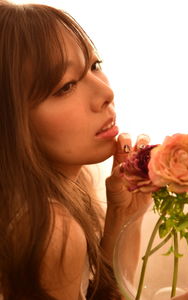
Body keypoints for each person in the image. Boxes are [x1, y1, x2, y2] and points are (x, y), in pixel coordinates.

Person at [0, 1, 153, 299]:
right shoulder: (49, 231)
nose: (106, 93)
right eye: (66, 86)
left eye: (95, 66)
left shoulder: (56, 192)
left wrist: (123, 217)